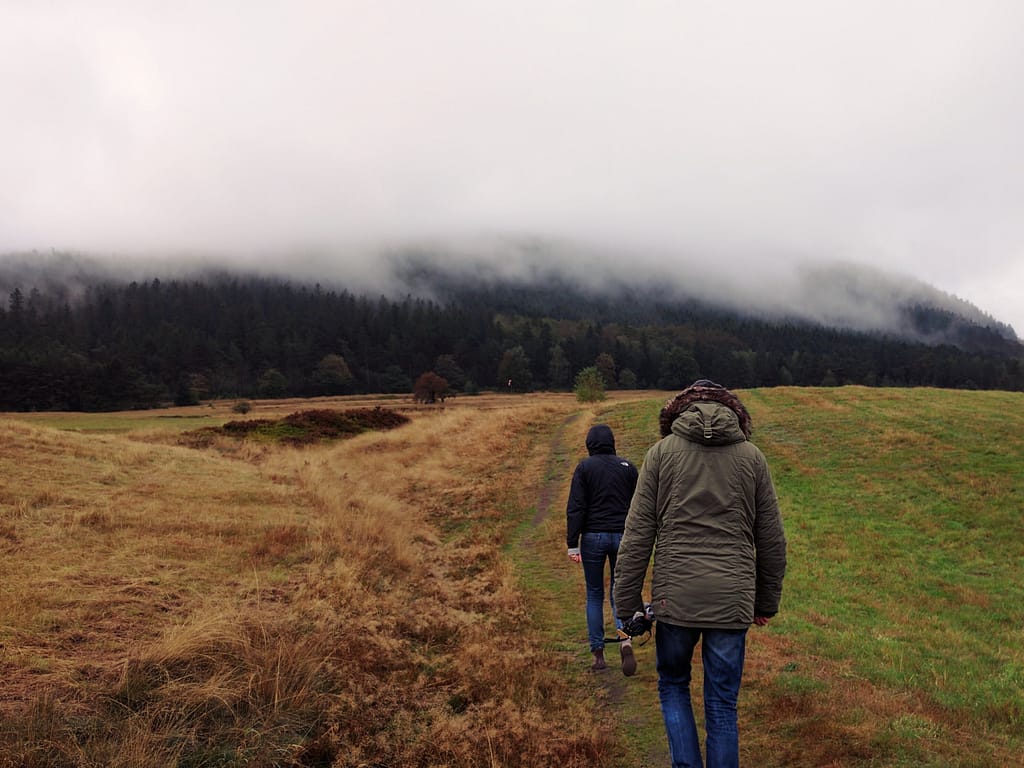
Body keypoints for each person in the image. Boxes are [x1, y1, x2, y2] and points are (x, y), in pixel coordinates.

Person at [613, 380, 787, 767]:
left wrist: (626, 607)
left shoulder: (660, 454)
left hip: (675, 601)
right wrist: (765, 602)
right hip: (732, 599)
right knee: (723, 704)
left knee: (673, 685)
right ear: (734, 413)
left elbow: (637, 535)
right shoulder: (752, 458)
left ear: (678, 412)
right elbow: (772, 539)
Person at [566, 423, 639, 672]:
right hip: (624, 536)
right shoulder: (628, 467)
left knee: (594, 594)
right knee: (620, 592)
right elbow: (640, 505)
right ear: (612, 442)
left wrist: (572, 544)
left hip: (593, 538)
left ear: (590, 445)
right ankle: (624, 640)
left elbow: (576, 507)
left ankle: (598, 654)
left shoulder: (585, 468)